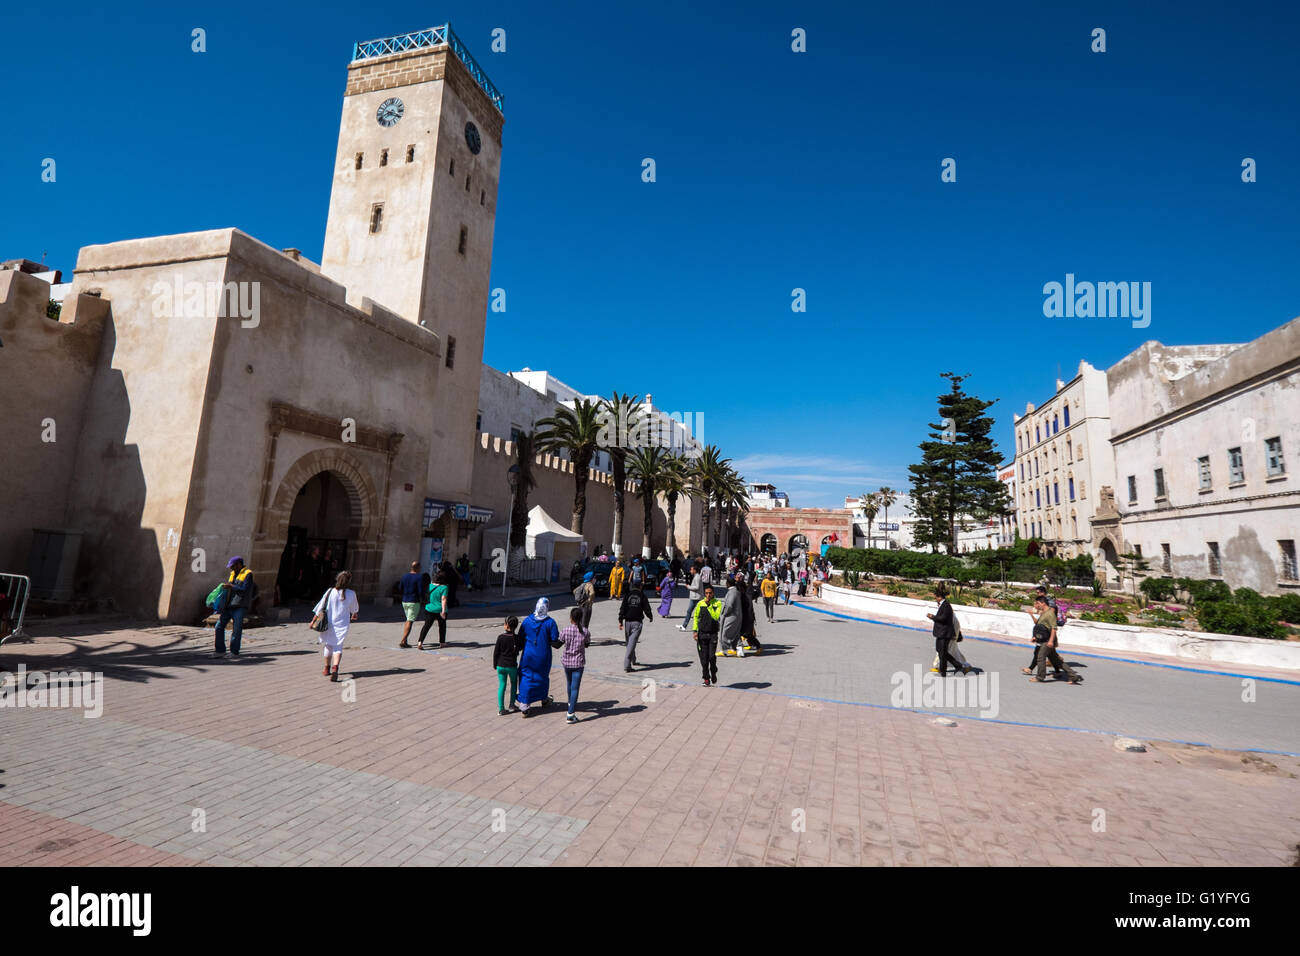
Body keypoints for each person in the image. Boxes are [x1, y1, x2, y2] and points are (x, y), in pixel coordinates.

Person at [312, 571, 359, 681]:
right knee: (338, 646)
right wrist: (354, 614)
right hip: (342, 624)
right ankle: (335, 668)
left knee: (328, 645)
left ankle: (326, 668)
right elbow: (354, 609)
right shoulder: (352, 593)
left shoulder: (330, 591)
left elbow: (320, 606)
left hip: (329, 623)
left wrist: (313, 620)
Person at [517, 598, 561, 716]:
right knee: (542, 676)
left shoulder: (527, 621)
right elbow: (554, 640)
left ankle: (524, 703)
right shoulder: (550, 622)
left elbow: (520, 638)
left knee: (526, 676)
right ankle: (544, 699)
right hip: (543, 655)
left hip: (528, 655)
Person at [1030, 595, 1083, 684]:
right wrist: (1036, 637)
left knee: (1040, 657)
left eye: (1038, 603)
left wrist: (1051, 641)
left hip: (1048, 640)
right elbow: (1041, 627)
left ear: (1043, 603)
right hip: (1043, 639)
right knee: (1056, 660)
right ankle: (1073, 676)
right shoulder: (1044, 612)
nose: (1036, 605)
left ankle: (1040, 677)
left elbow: (1054, 628)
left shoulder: (1050, 613)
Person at [214, 556, 255, 659]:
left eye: (233, 566)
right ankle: (220, 650)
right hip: (229, 605)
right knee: (218, 626)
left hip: (240, 605)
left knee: (236, 629)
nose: (231, 569)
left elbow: (245, 589)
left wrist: (232, 587)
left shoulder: (248, 574)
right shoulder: (232, 574)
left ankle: (234, 652)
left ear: (239, 564)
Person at [559, 607, 591, 723]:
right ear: (581, 618)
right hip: (578, 663)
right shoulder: (585, 631)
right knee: (575, 687)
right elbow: (587, 644)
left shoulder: (565, 630)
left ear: (571, 618)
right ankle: (570, 713)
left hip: (566, 662)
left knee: (569, 683)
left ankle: (570, 702)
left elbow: (560, 641)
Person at [925, 584, 964, 677]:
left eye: (935, 597)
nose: (935, 599)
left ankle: (943, 671)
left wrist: (932, 617)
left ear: (939, 597)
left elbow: (943, 618)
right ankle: (957, 664)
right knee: (940, 650)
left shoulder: (946, 605)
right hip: (941, 632)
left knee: (942, 652)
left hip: (944, 633)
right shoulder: (943, 605)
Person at [618, 576, 654, 672]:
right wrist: (650, 616)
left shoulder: (627, 595)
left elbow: (622, 608)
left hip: (627, 623)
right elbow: (647, 608)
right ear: (640, 586)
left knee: (630, 643)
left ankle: (633, 660)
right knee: (631, 644)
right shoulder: (642, 595)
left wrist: (620, 620)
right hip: (637, 623)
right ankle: (627, 666)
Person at [692, 585, 723, 685]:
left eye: (710, 593)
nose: (708, 595)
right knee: (704, 659)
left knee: (711, 657)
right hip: (702, 635)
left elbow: (716, 616)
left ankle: (713, 671)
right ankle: (706, 678)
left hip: (713, 634)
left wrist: (709, 606)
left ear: (713, 593)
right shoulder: (700, 604)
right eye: (706, 593)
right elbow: (696, 617)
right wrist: (695, 631)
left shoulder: (717, 603)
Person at [493, 615, 524, 715]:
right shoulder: (517, 638)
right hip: (512, 666)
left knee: (502, 685)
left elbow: (496, 652)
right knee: (514, 683)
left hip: (500, 666)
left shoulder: (501, 637)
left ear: (506, 625)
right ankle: (512, 704)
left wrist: (495, 664)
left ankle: (501, 709)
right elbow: (520, 648)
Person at [397, 560, 428, 648]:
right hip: (414, 601)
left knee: (408, 619)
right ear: (418, 568)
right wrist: (424, 599)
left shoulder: (404, 576)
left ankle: (405, 640)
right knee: (409, 621)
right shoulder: (419, 577)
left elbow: (400, 588)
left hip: (405, 601)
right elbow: (420, 590)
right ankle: (403, 640)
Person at [417, 571, 449, 649]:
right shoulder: (444, 587)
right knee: (442, 626)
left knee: (426, 626)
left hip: (429, 609)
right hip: (439, 609)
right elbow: (443, 599)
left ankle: (420, 642)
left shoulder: (430, 586)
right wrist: (443, 611)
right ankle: (442, 643)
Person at [719, 573, 745, 657]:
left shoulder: (732, 592)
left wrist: (724, 614)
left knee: (725, 633)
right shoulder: (736, 591)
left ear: (728, 584)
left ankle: (726, 650)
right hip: (737, 616)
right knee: (736, 633)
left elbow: (729, 605)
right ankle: (740, 649)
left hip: (731, 616)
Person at [678, 560, 703, 632]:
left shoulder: (697, 577)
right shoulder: (696, 576)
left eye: (691, 569)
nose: (690, 571)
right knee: (691, 612)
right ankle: (684, 626)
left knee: (695, 613)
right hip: (695, 597)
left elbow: (697, 587)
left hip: (696, 598)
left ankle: (686, 626)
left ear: (695, 570)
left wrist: (688, 587)